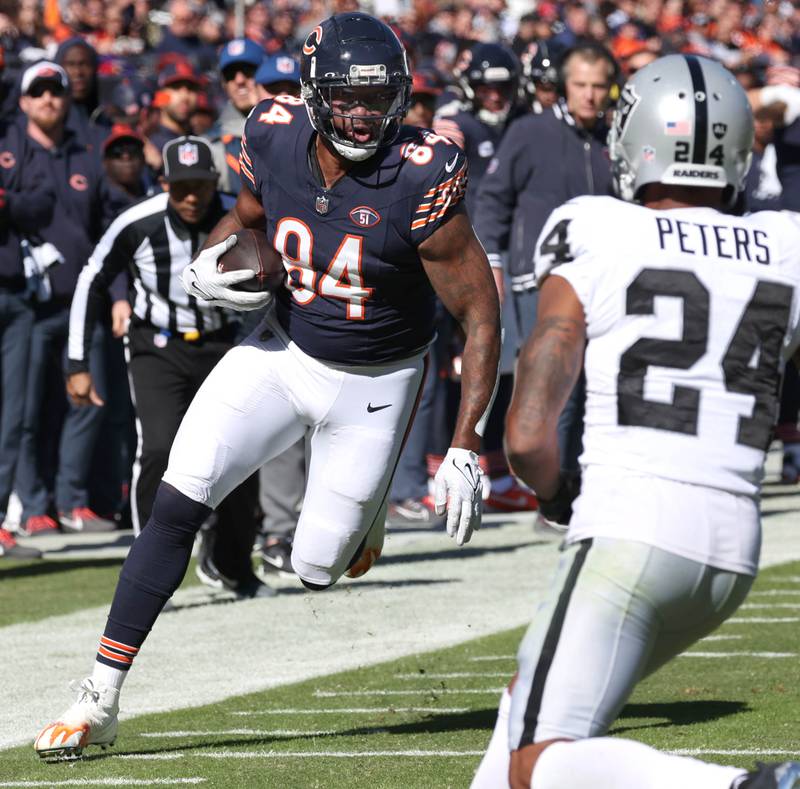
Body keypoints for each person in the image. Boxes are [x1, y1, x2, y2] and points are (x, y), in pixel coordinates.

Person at [34, 11, 500, 760]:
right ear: (313, 95)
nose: (361, 114)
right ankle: (99, 696)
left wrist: (465, 443)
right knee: (177, 499)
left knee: (317, 569)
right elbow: (248, 222)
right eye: (345, 98)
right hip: (282, 350)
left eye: (377, 98)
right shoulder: (271, 132)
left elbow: (479, 314)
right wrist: (217, 262)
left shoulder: (421, 169)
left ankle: (366, 510)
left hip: (377, 380)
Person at [470, 54, 800, 789]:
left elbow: (526, 434)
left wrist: (555, 491)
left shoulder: (597, 227)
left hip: (633, 531)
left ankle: (747, 786)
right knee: (525, 712)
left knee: (538, 762)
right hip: (734, 548)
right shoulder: (785, 243)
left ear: (640, 138)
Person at [66, 135, 271, 598]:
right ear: (163, 184)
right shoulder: (137, 222)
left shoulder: (239, 214)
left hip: (226, 345)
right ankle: (148, 567)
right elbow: (92, 278)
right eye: (181, 187)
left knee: (240, 454)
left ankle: (233, 564)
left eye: (200, 185)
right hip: (157, 347)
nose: (192, 197)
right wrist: (76, 361)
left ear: (216, 181)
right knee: (158, 449)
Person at [474, 42, 616, 495]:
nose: (590, 95)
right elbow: (492, 200)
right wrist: (492, 262)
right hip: (541, 283)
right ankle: (549, 490)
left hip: (604, 282)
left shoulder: (614, 138)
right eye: (581, 86)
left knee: (595, 385)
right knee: (557, 388)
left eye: (599, 86)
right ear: (563, 86)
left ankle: (580, 480)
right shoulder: (529, 131)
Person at [12, 61, 116, 537]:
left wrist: (117, 294)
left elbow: (106, 233)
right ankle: (33, 505)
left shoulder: (88, 156)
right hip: (27, 304)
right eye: (40, 92)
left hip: (82, 302)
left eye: (57, 91)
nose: (50, 98)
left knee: (87, 401)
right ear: (24, 101)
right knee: (26, 411)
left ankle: (74, 501)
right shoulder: (10, 154)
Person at [0, 104, 54, 559]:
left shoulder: (17, 136)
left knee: (13, 417)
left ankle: (0, 521)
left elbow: (43, 203)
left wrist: (5, 201)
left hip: (14, 294)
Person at [207, 37, 264, 194]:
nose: (239, 80)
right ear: (224, 84)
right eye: (230, 74)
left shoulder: (293, 125)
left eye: (248, 71)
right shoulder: (211, 143)